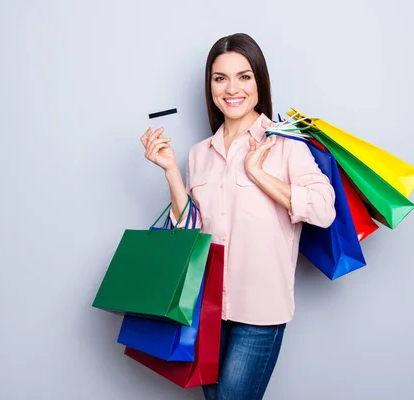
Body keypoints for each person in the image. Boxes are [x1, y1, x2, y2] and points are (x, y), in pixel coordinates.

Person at [140, 33, 336, 400]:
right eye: (220, 78)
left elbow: (324, 211)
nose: (232, 88)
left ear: (259, 82)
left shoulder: (287, 146)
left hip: (259, 312)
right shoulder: (199, 154)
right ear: (210, 86)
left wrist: (259, 173)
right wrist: (169, 171)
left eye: (244, 76)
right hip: (206, 309)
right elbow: (189, 230)